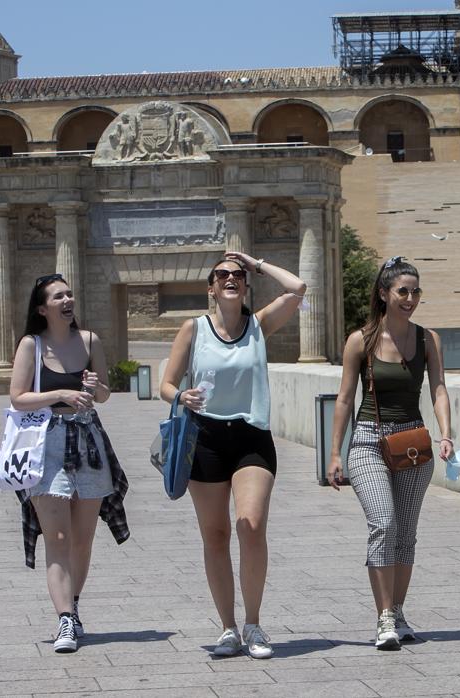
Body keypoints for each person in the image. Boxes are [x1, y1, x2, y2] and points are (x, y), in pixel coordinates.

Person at [159, 251, 304, 659]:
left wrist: (255, 262)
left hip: (251, 437)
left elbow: (297, 289)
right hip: (204, 438)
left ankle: (254, 624)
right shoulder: (194, 329)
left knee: (251, 525)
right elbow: (165, 384)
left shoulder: (258, 325)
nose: (230, 278)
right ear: (210, 288)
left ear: (245, 285)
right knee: (216, 535)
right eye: (222, 275)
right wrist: (180, 395)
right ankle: (227, 627)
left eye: (237, 275)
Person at [327, 257, 453, 650]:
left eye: (416, 292)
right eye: (403, 291)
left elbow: (438, 389)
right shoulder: (359, 340)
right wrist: (335, 453)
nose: (410, 299)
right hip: (368, 439)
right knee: (383, 522)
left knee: (406, 532)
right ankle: (383, 617)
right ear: (384, 294)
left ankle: (398, 610)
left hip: (413, 443)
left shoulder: (428, 339)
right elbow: (345, 398)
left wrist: (446, 433)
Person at [8, 273, 129, 654]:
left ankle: (73, 606)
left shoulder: (91, 340)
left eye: (69, 294)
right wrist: (60, 392)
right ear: (42, 308)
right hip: (47, 444)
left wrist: (95, 388)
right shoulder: (32, 344)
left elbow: (106, 394)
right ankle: (64, 619)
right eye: (58, 296)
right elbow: (17, 397)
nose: (67, 300)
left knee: (82, 539)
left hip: (88, 441)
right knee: (57, 538)